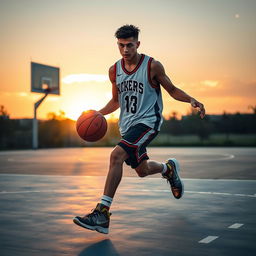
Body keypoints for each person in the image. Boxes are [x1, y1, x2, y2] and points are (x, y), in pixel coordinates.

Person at [73, 24, 205, 234]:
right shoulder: (114, 70)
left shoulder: (152, 66)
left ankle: (102, 213)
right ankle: (168, 169)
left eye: (130, 45)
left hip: (148, 122)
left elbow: (171, 89)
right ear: (118, 45)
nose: (125, 50)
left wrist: (191, 100)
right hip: (127, 126)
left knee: (116, 155)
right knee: (142, 170)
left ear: (138, 44)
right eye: (121, 45)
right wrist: (96, 114)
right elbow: (115, 102)